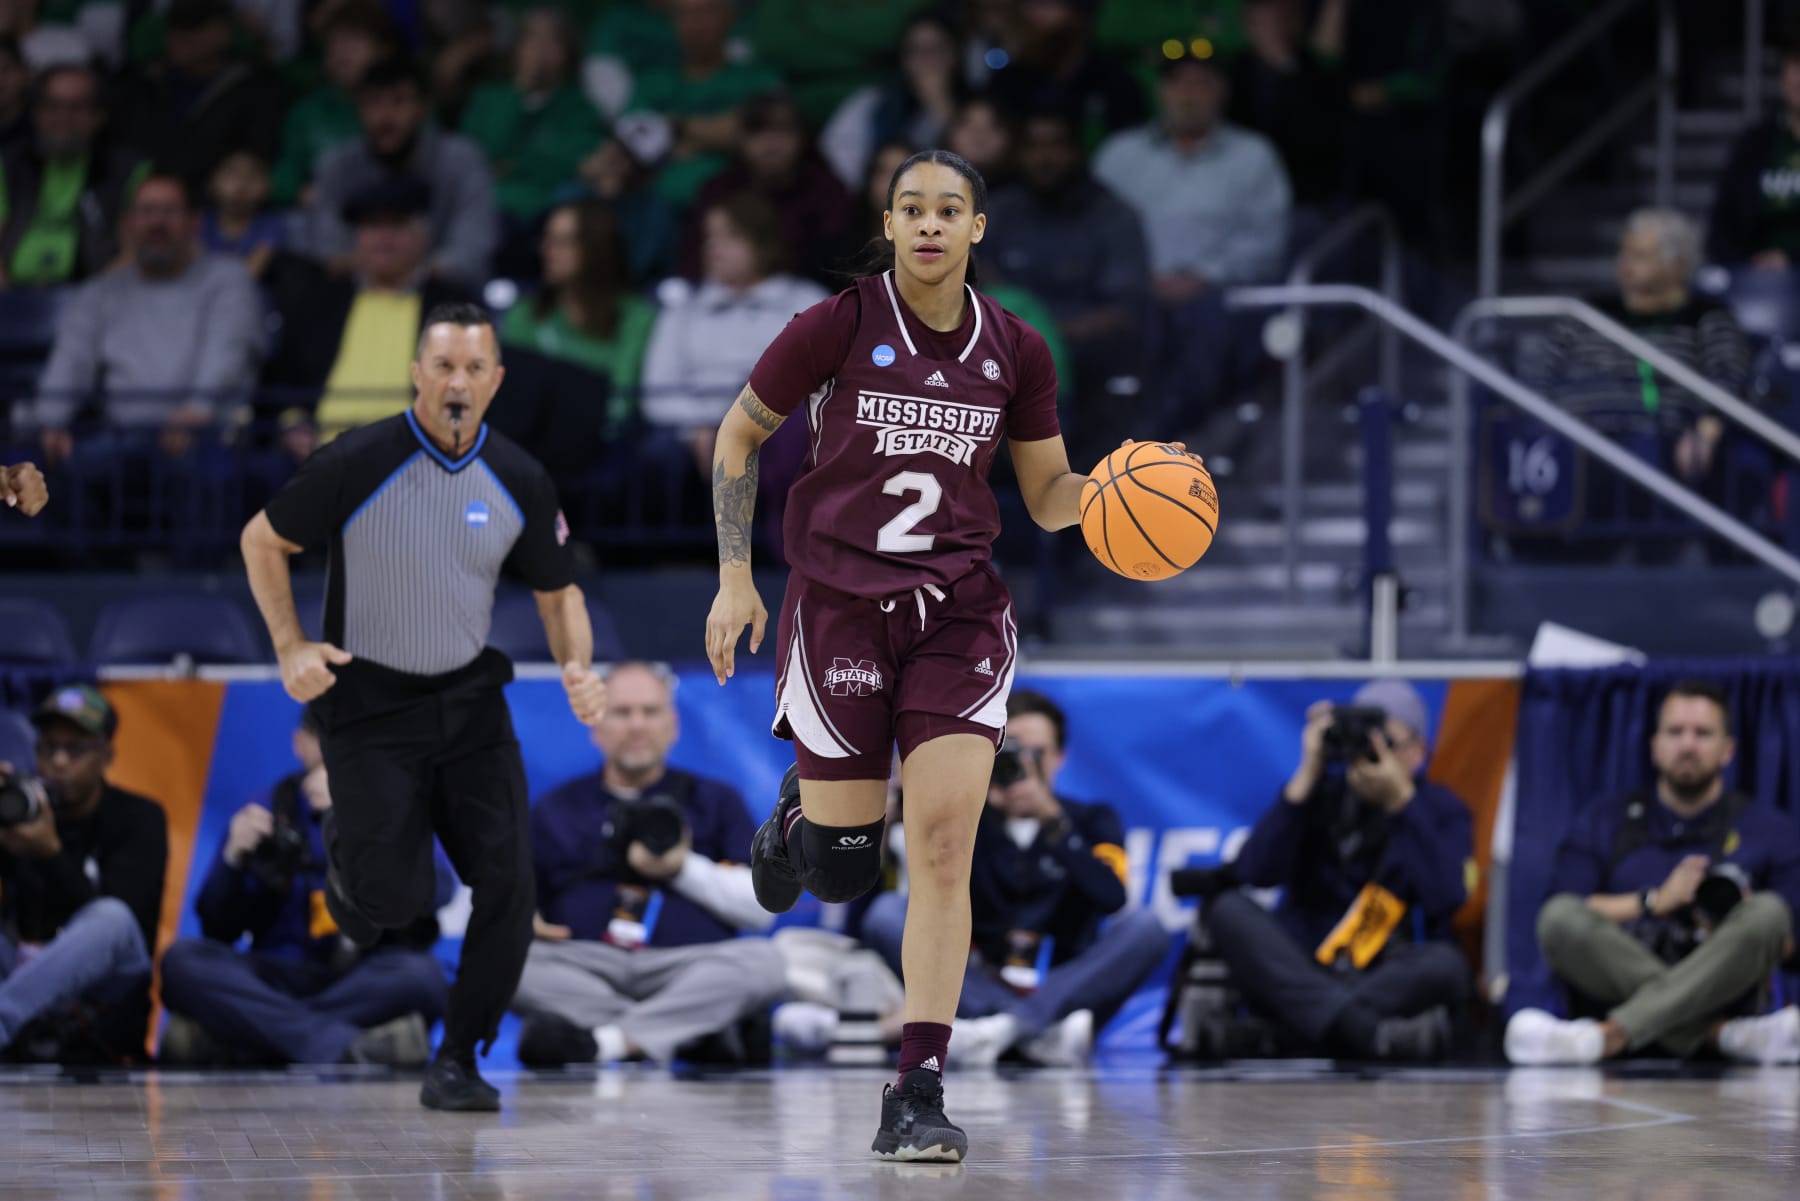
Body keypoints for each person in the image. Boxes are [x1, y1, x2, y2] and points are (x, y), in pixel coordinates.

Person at [703, 147, 1193, 1162]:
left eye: (950, 209)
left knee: (937, 849)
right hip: (837, 603)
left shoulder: (1016, 347)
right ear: (889, 226)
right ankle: (802, 818)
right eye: (912, 208)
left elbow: (1051, 495)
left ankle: (916, 1086)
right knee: (844, 871)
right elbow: (737, 440)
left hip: (959, 614)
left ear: (979, 228)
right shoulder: (835, 324)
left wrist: (1117, 488)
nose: (929, 224)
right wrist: (735, 576)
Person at [239, 301, 608, 1111]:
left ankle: (458, 1059)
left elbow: (558, 589)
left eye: (475, 368)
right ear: (417, 373)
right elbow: (261, 539)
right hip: (368, 704)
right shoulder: (358, 459)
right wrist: (291, 646)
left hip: (471, 701)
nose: (457, 382)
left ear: (496, 381)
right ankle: (344, 846)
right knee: (391, 905)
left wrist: (579, 666)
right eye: (442, 365)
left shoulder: (518, 475)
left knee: (510, 883)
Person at [861, 690, 1170, 1067]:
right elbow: (875, 913)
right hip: (981, 982)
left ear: (1059, 758)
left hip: (1070, 986)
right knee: (887, 914)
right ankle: (1028, 1029)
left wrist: (1052, 821)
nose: (1022, 766)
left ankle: (1009, 1027)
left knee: (1147, 926)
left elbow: (1112, 898)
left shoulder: (1092, 819)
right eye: (1010, 753)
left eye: (1036, 754)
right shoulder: (965, 820)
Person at [1506, 681, 1800, 1066]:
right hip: (1619, 977)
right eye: (1675, 732)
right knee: (1558, 918)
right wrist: (1653, 902)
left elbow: (1789, 943)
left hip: (1725, 982)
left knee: (1769, 913)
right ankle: (1718, 1035)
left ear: (1728, 750)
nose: (1688, 745)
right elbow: (1567, 911)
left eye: (1703, 733)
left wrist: (1730, 926)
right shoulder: (1605, 819)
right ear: (1654, 746)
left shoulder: (1769, 828)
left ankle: (1607, 1036)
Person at [1178, 680, 1474, 1061]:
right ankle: (1360, 1032)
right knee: (1227, 909)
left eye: (1388, 742)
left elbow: (1446, 896)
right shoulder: (1320, 794)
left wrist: (1401, 804)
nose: (1372, 751)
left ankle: (1295, 1032)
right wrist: (1306, 776)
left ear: (1418, 751)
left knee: (1447, 964)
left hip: (1378, 971)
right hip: (1299, 961)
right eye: (1364, 739)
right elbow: (1255, 871)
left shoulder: (1438, 809)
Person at [511, 661, 786, 1066]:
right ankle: (688, 1031)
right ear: (596, 725)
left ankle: (604, 1042)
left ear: (672, 724)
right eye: (621, 712)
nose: (637, 725)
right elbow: (518, 898)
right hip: (585, 965)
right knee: (508, 965)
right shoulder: (556, 809)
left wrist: (680, 869)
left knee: (765, 963)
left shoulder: (714, 801)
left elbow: (762, 911)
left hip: (690, 964)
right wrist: (522, 918)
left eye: (650, 711)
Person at [159, 710, 450, 1068]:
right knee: (181, 962)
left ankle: (248, 1041)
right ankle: (346, 1044)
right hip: (272, 974)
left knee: (423, 977)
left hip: (359, 978)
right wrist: (232, 860)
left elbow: (438, 891)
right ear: (300, 744)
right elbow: (217, 927)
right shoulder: (265, 808)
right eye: (322, 734)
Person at [32, 173, 263, 470]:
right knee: (61, 471)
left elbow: (228, 351)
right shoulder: (100, 292)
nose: (157, 223)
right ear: (128, 226)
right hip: (121, 438)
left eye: (169, 211)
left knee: (211, 473)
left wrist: (197, 410)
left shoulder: (229, 279)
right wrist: (52, 421)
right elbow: (72, 358)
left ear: (195, 223)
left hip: (209, 435)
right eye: (146, 212)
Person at [0, 686, 167, 1064]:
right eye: (48, 748)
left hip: (106, 984)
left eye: (75, 750)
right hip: (24, 970)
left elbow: (125, 932)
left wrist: (51, 854)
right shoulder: (18, 809)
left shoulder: (139, 817)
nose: (58, 761)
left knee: (111, 917)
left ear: (107, 755)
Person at [1533, 209, 1752, 492]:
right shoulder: (1586, 312)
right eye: (1623, 254)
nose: (1625, 265)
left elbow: (1729, 376)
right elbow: (1540, 372)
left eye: (1641, 256)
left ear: (1678, 266)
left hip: (1658, 452)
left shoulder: (1705, 316)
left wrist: (1706, 431)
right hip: (1570, 447)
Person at [310, 55, 498, 288]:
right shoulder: (337, 164)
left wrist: (405, 276)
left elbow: (472, 249)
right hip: (359, 293)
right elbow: (330, 252)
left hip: (440, 293)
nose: (385, 117)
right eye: (374, 103)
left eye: (399, 102)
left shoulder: (461, 159)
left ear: (423, 107)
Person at [0, 62, 147, 288]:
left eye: (76, 107)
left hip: (98, 299)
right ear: (36, 113)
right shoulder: (8, 164)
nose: (63, 117)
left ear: (98, 116)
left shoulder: (128, 170)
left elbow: (136, 249)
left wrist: (96, 298)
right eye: (52, 105)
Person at [1708, 41, 1800, 270]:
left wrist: (1791, 259)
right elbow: (1723, 220)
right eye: (1793, 68)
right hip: (1754, 274)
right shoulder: (1755, 142)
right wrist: (1746, 262)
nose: (1798, 78)